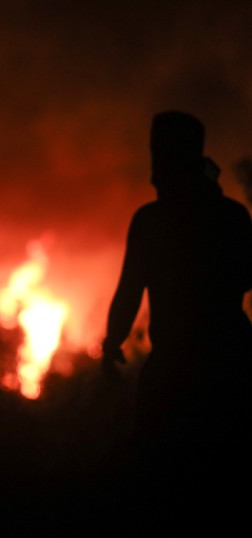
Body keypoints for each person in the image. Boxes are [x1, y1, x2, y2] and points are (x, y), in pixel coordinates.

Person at [102, 111, 252, 522]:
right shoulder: (231, 216)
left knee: (162, 481)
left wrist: (111, 343)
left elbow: (130, 290)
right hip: (231, 363)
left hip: (178, 369)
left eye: (161, 155)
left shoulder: (151, 221)